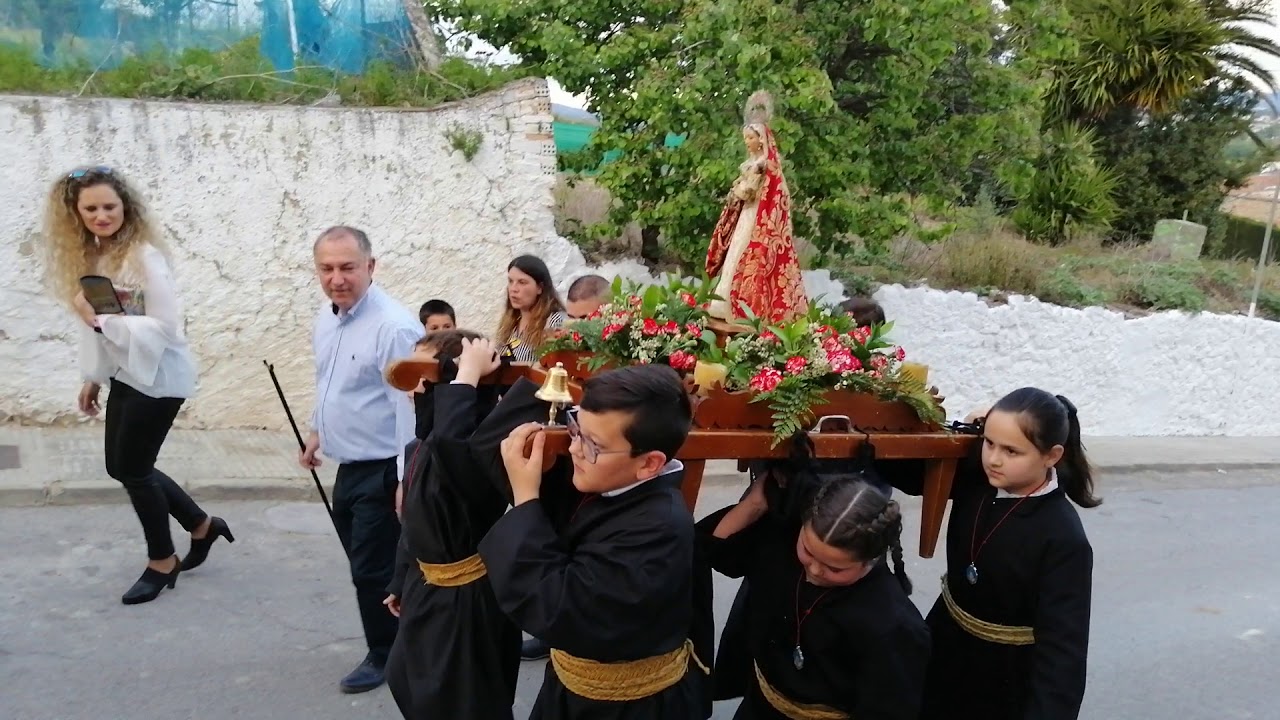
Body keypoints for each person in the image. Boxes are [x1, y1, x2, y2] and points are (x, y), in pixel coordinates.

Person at [41, 165, 231, 605]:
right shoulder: (94, 254)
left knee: (134, 469)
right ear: (76, 212)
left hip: (161, 375)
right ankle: (202, 525)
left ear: (126, 206)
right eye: (91, 208)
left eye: (110, 206)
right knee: (122, 466)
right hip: (128, 373)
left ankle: (162, 561)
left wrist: (102, 318)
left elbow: (164, 327)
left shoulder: (143, 255)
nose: (101, 215)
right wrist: (93, 376)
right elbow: (98, 326)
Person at [477, 365, 713, 719]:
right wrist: (542, 386)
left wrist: (526, 497)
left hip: (627, 706)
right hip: (574, 688)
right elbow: (486, 448)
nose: (573, 449)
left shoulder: (658, 528)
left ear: (650, 464)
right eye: (575, 429)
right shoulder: (605, 476)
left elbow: (556, 608)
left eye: (592, 444)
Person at [896, 387, 1099, 720]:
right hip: (944, 647)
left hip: (1004, 679)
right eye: (989, 443)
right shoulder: (976, 476)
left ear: (1052, 456)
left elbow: (1063, 654)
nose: (993, 458)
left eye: (1011, 451)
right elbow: (910, 472)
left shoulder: (1063, 539)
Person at [701, 468, 930, 720]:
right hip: (759, 707)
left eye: (835, 568)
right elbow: (717, 551)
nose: (815, 570)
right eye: (808, 551)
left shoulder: (893, 625)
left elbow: (888, 710)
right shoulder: (782, 541)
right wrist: (755, 503)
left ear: (870, 559)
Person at [300, 225, 421, 694]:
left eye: (348, 267)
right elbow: (326, 380)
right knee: (365, 562)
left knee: (371, 569)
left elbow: (406, 408)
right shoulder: (326, 317)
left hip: (382, 468)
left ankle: (387, 654)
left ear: (371, 266)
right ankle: (406, 634)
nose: (337, 278)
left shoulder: (394, 327)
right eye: (327, 269)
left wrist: (403, 480)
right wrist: (315, 431)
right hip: (347, 465)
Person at [383, 332, 523, 720]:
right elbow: (414, 521)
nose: (415, 387)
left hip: (467, 600)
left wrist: (466, 377)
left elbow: (453, 444)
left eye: (424, 375)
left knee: (465, 702)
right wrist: (401, 579)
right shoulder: (420, 446)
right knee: (410, 683)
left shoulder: (481, 447)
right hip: (426, 588)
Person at [519, 271, 611, 662]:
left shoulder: (623, 352)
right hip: (565, 467)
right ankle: (550, 629)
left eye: (588, 320)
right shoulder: (559, 344)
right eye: (572, 320)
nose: (578, 330)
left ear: (609, 314)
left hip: (604, 471)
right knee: (557, 542)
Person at [706, 91, 808, 324]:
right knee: (735, 252)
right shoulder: (752, 164)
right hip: (747, 213)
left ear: (760, 139)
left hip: (757, 216)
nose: (747, 141)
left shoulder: (764, 166)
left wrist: (739, 191)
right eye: (746, 137)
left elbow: (753, 190)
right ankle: (725, 301)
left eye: (750, 138)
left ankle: (746, 306)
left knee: (747, 252)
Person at [496, 254, 566, 362]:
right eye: (510, 281)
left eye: (522, 282)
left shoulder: (554, 321)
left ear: (540, 288)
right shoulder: (512, 320)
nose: (513, 289)